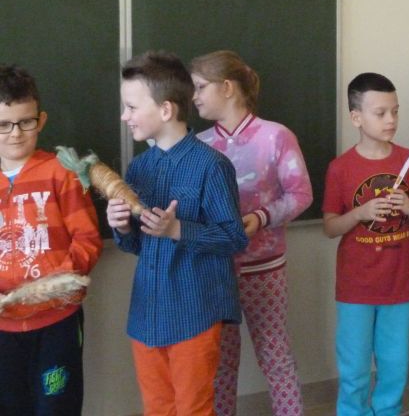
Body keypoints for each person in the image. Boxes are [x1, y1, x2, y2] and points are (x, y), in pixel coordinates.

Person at [106, 51, 248, 416]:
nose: (124, 116)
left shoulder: (212, 166)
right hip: (147, 313)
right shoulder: (138, 168)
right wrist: (122, 226)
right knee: (157, 407)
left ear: (166, 110)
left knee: (193, 408)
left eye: (131, 107)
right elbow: (137, 244)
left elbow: (234, 237)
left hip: (194, 312)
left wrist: (178, 229)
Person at [190, 50, 311, 416]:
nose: (194, 97)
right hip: (217, 271)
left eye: (200, 87)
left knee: (275, 355)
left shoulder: (276, 136)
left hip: (265, 268)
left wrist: (260, 217)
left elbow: (301, 194)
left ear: (227, 87)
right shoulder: (198, 145)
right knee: (220, 364)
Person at [0, 64, 103, 416]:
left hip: (56, 323)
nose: (15, 134)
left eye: (25, 122)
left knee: (57, 406)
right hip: (3, 328)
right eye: (3, 124)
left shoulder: (62, 172)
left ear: (41, 120)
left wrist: (55, 284)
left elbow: (87, 239)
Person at [322, 72, 409, 416]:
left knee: (395, 369)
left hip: (399, 284)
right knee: (354, 372)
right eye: (380, 113)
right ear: (356, 117)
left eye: (395, 111)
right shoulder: (340, 168)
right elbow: (330, 227)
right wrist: (360, 213)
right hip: (356, 288)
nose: (390, 119)